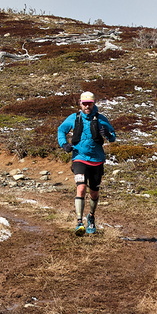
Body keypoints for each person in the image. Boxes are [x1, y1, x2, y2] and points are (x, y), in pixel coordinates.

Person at [57, 91, 116, 235]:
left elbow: (113, 137)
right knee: (81, 187)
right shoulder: (74, 118)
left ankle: (91, 216)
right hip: (79, 158)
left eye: (90, 104)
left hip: (97, 160)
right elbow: (61, 130)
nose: (87, 106)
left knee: (94, 193)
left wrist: (107, 134)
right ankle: (79, 222)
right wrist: (64, 144)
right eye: (84, 104)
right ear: (80, 103)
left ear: (93, 103)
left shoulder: (101, 119)